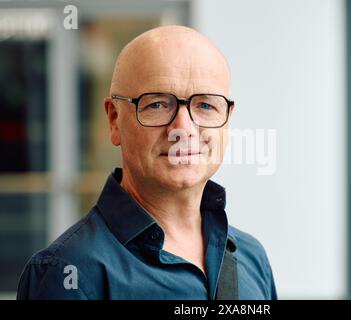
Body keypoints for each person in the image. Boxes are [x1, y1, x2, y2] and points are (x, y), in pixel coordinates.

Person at [16, 25, 277, 300]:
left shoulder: (252, 258)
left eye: (205, 105)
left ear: (227, 120)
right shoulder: (68, 273)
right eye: (157, 105)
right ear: (114, 120)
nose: (183, 129)